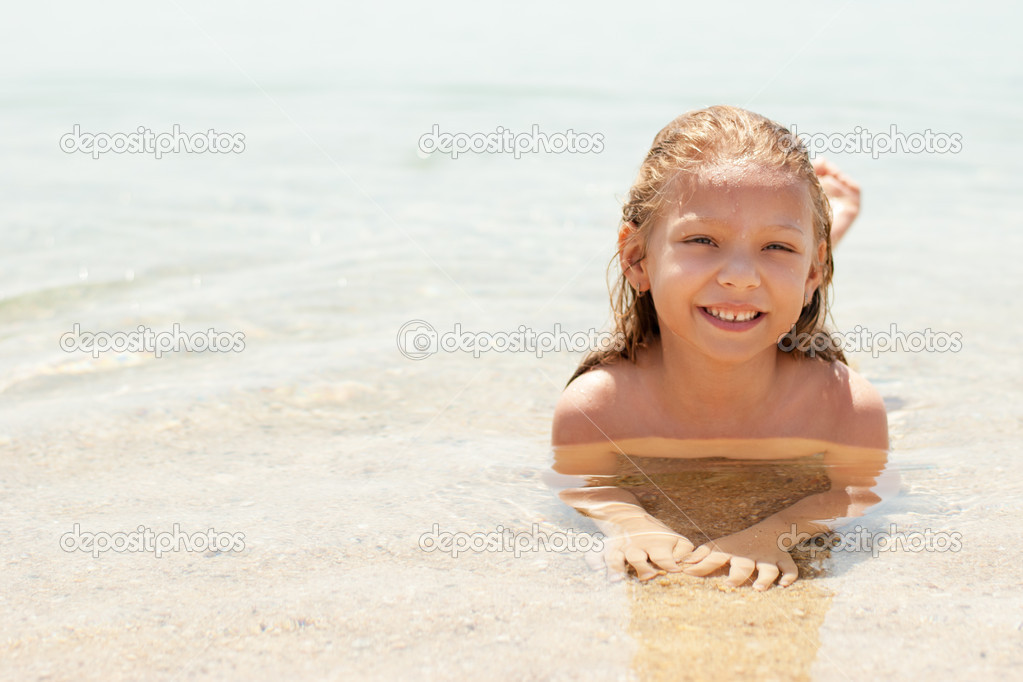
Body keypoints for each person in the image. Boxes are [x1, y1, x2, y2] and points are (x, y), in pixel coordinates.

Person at [550, 106, 887, 589]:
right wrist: (630, 522)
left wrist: (777, 533)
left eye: (776, 247)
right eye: (702, 238)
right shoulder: (598, 407)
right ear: (635, 259)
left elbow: (859, 488)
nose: (740, 274)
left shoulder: (845, 406)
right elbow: (588, 484)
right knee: (752, 290)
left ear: (816, 275)